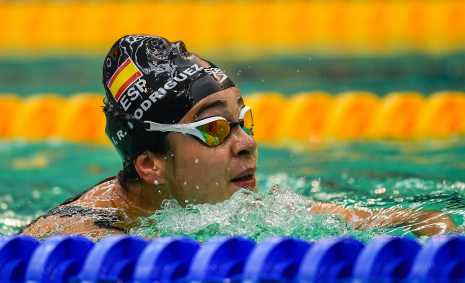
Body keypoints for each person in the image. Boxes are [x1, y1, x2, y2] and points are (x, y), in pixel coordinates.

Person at [20, 35, 458, 240]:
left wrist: (439, 236)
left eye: (243, 120)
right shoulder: (77, 235)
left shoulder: (227, 202)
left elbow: (415, 220)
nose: (246, 142)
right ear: (149, 164)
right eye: (213, 130)